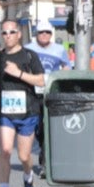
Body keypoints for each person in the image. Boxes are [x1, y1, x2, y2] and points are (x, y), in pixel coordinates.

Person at [0, 22, 47, 187]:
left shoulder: (30, 56)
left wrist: (19, 73)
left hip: (28, 111)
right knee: (5, 150)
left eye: (12, 32)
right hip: (5, 111)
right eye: (4, 32)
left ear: (19, 34)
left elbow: (40, 80)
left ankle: (28, 176)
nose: (8, 35)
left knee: (24, 156)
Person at [31, 24, 73, 175]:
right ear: (36, 33)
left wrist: (63, 82)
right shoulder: (28, 48)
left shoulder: (59, 49)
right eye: (41, 32)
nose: (44, 34)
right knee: (38, 128)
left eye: (47, 32)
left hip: (51, 93)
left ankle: (45, 163)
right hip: (33, 93)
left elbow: (66, 67)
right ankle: (43, 150)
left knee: (50, 127)